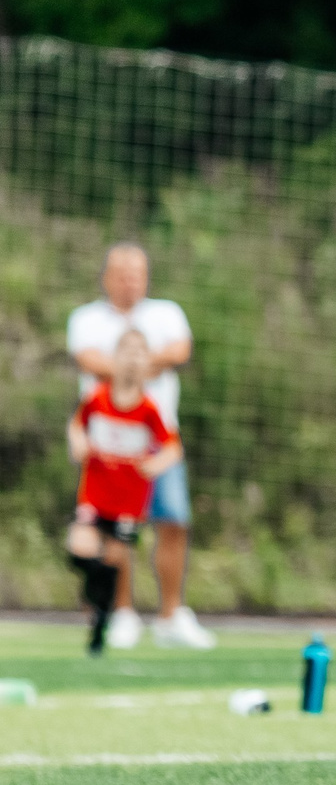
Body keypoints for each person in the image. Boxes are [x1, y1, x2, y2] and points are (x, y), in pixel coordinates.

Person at [66, 243, 210, 649]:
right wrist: (137, 366)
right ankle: (121, 612)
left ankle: (171, 615)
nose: (130, 282)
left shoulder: (166, 314)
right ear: (107, 277)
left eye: (137, 274)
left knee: (174, 519)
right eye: (123, 274)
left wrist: (132, 367)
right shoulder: (87, 319)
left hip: (155, 447)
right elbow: (89, 361)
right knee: (113, 534)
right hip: (110, 452)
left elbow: (179, 350)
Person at [65, 331, 185, 655]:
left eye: (139, 353)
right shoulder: (97, 398)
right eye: (126, 352)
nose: (132, 359)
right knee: (79, 550)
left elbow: (173, 448)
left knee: (114, 561)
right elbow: (77, 425)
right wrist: (78, 443)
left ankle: (101, 625)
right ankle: (95, 599)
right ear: (115, 358)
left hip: (128, 504)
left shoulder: (149, 408)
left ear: (147, 362)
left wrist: (155, 463)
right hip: (95, 495)